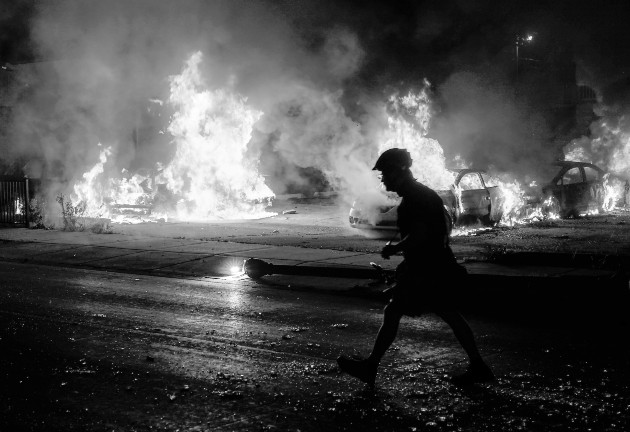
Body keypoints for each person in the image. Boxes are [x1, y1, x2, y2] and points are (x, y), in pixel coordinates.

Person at [337, 148, 495, 388]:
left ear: (398, 172)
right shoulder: (422, 195)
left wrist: (395, 249)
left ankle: (370, 367)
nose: (383, 179)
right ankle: (479, 366)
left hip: (426, 270)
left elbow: (420, 235)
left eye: (385, 174)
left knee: (395, 312)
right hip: (434, 265)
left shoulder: (415, 199)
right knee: (448, 313)